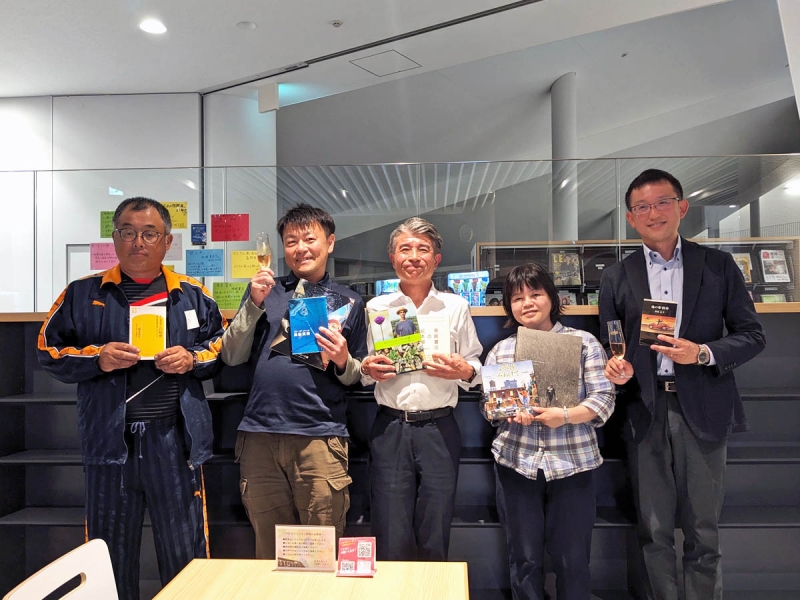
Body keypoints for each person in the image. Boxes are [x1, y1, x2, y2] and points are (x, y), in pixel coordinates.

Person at [37, 197, 226, 600]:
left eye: (149, 233)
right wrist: (97, 358)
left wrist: (191, 359)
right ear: (115, 237)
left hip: (175, 443)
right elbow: (47, 350)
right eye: (128, 231)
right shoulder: (81, 293)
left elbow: (221, 349)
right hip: (109, 444)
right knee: (107, 558)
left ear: (167, 241)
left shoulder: (193, 295)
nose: (138, 241)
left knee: (186, 556)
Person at [599, 169, 766, 600]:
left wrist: (703, 352)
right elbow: (612, 345)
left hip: (703, 407)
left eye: (662, 202)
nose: (653, 213)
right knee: (653, 530)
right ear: (630, 218)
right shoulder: (616, 276)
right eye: (642, 207)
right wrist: (616, 368)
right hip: (644, 410)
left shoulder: (718, 266)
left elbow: (752, 335)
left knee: (703, 530)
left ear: (682, 207)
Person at [220, 203, 368, 559]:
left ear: (329, 243)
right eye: (291, 241)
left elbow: (358, 375)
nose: (300, 248)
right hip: (260, 435)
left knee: (319, 552)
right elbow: (231, 356)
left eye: (309, 239)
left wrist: (342, 358)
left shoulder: (349, 301)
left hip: (320, 437)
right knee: (269, 552)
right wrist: (253, 302)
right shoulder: (265, 292)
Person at [483, 263, 614, 600]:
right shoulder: (501, 350)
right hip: (517, 463)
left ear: (553, 298)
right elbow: (490, 408)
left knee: (573, 560)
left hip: (572, 464)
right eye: (517, 298)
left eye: (535, 294)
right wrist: (503, 411)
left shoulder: (583, 343)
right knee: (524, 559)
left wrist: (565, 415)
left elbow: (603, 399)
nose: (527, 303)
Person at [360, 217, 482, 561]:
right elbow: (363, 368)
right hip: (390, 427)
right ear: (393, 258)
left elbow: (475, 363)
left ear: (436, 259)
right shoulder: (376, 308)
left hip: (439, 428)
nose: (414, 257)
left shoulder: (455, 306)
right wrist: (368, 368)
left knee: (436, 527)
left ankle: (433, 587)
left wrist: (464, 369)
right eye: (405, 249)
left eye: (423, 249)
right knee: (389, 528)